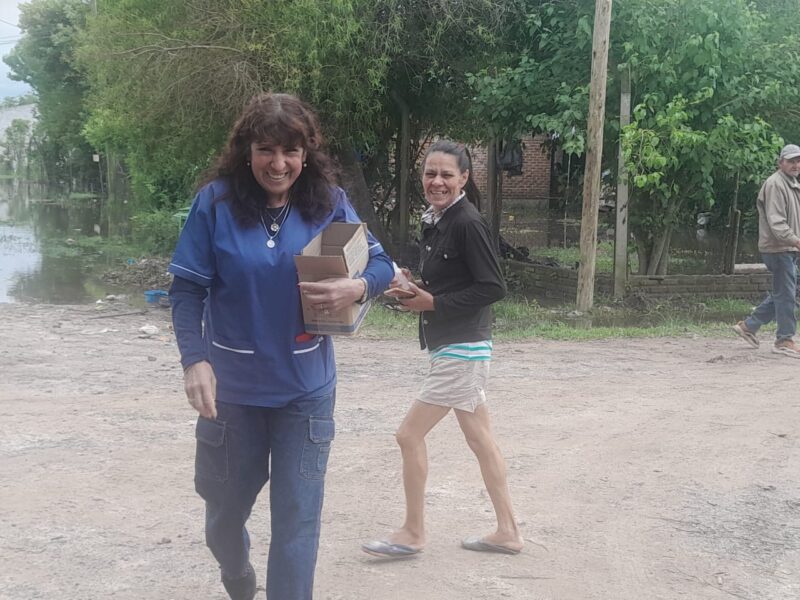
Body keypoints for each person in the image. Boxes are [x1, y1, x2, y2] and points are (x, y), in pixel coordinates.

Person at [168, 92, 393, 600]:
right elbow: (186, 290)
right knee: (223, 515)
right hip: (233, 397)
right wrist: (194, 360)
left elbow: (382, 263)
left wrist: (357, 287)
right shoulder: (216, 204)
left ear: (305, 153)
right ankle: (236, 573)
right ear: (246, 151)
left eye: (290, 151)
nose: (278, 164)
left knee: (297, 524)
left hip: (305, 393)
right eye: (266, 150)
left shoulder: (328, 202)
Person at [362, 140, 524, 558]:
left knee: (408, 435)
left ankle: (413, 532)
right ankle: (508, 530)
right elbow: (455, 281)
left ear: (464, 178)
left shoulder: (467, 222)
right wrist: (415, 288)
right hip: (456, 346)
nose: (437, 181)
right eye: (430, 174)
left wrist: (433, 303)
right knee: (481, 439)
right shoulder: (437, 220)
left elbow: (493, 287)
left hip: (462, 348)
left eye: (446, 175)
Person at [733, 143, 800, 358]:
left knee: (786, 291)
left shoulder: (792, 184)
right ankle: (784, 340)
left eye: (798, 161)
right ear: (780, 163)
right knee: (787, 293)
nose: (796, 165)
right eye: (791, 161)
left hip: (788, 247)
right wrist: (796, 240)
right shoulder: (775, 184)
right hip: (778, 248)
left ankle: (749, 326)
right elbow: (777, 222)